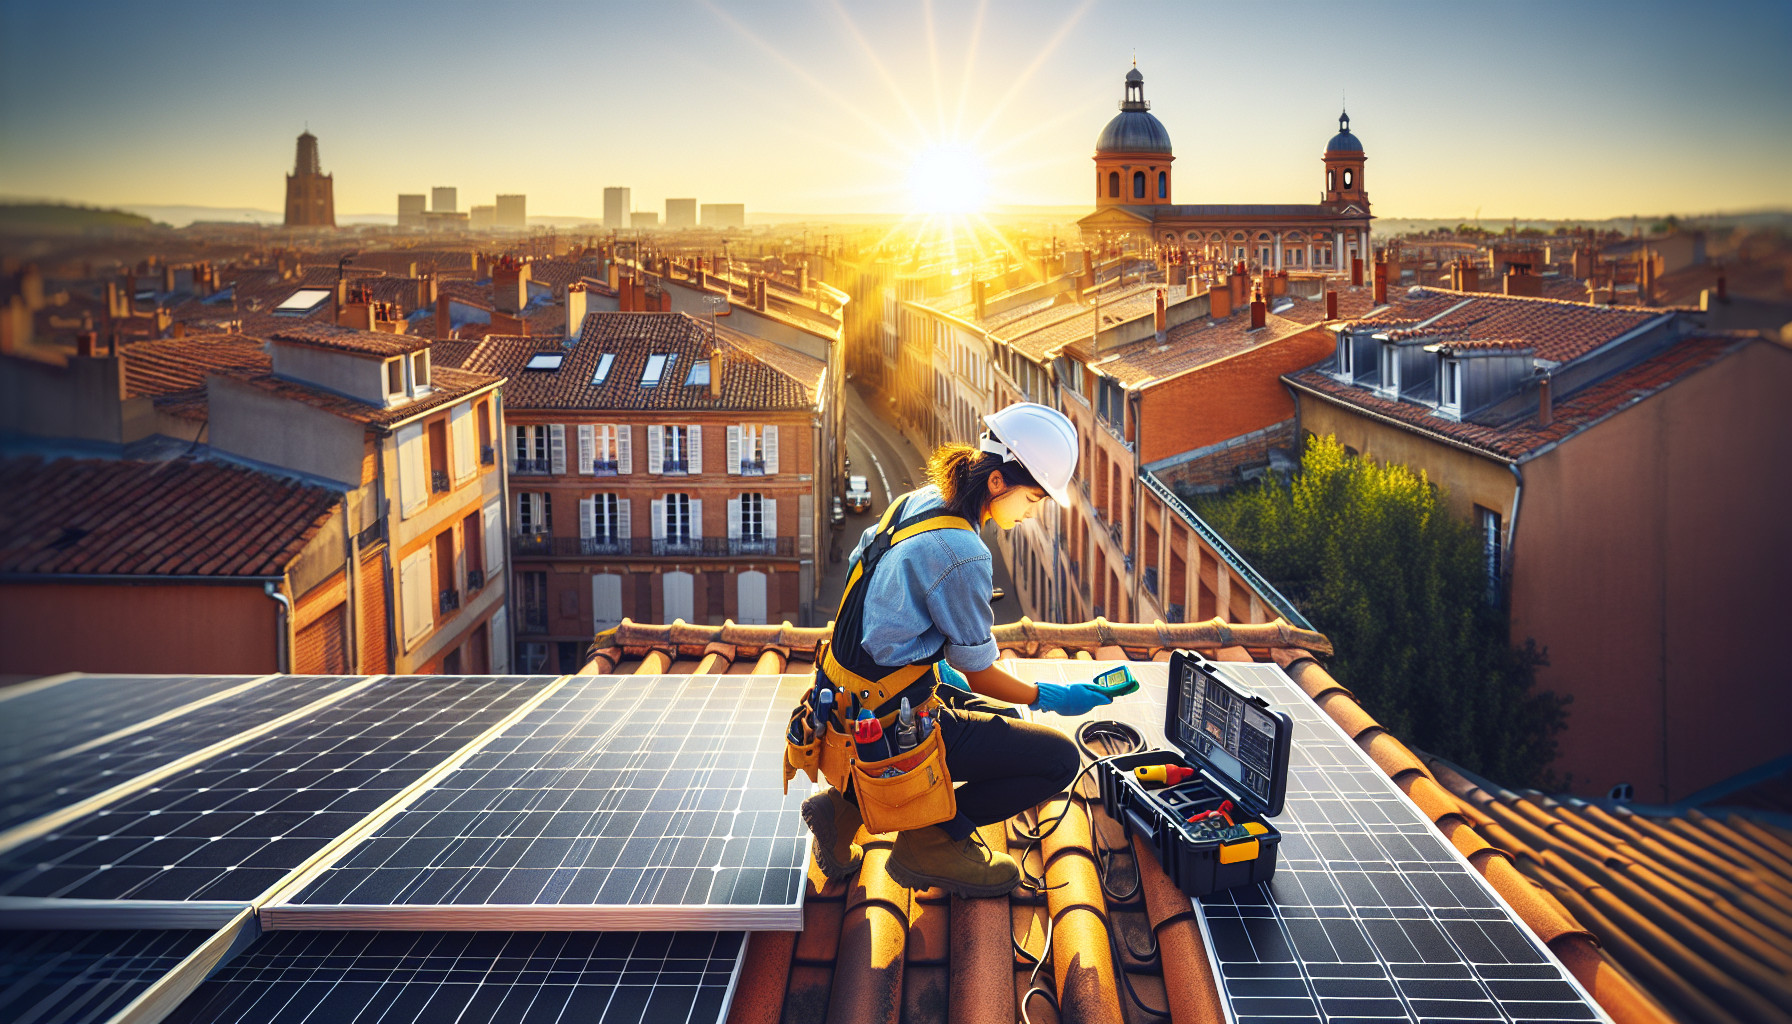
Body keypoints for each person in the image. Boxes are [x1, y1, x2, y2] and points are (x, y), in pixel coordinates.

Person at [800, 403, 1117, 897]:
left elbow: (870, 598)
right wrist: (1052, 695)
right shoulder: (966, 553)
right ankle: (931, 840)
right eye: (1032, 498)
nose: (1032, 512)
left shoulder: (918, 502)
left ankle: (843, 810)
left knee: (991, 716)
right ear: (997, 484)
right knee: (1058, 760)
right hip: (892, 717)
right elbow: (982, 676)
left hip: (847, 698)